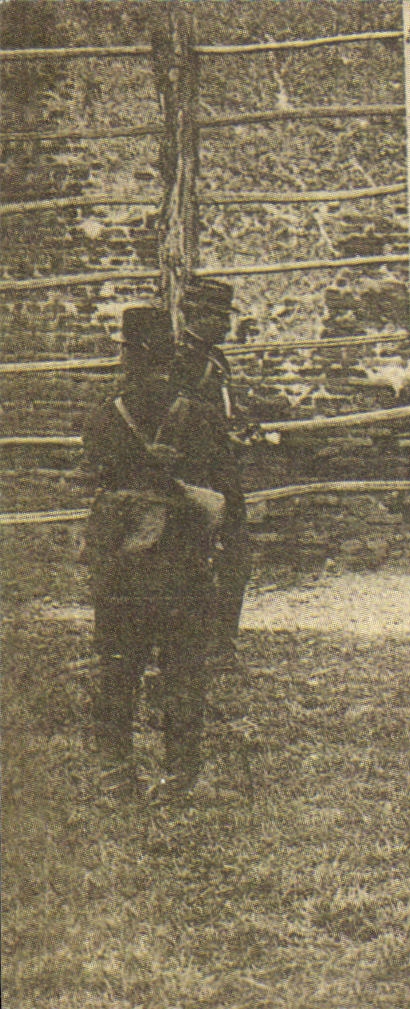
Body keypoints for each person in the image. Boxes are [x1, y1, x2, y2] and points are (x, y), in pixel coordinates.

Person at [81, 305, 232, 802]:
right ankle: (180, 777)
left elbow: (97, 477)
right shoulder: (201, 416)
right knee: (184, 673)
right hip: (182, 565)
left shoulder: (104, 418)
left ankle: (115, 775)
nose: (121, 359)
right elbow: (225, 494)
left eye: (125, 350)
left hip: (123, 567)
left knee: (117, 671)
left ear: (137, 354)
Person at [171, 277, 252, 673]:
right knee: (194, 557)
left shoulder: (216, 358)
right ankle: (195, 645)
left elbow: (223, 408)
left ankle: (222, 643)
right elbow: (179, 419)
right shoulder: (179, 362)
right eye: (219, 317)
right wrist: (220, 434)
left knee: (236, 554)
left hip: (222, 468)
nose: (226, 325)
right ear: (197, 316)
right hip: (195, 470)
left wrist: (240, 425)